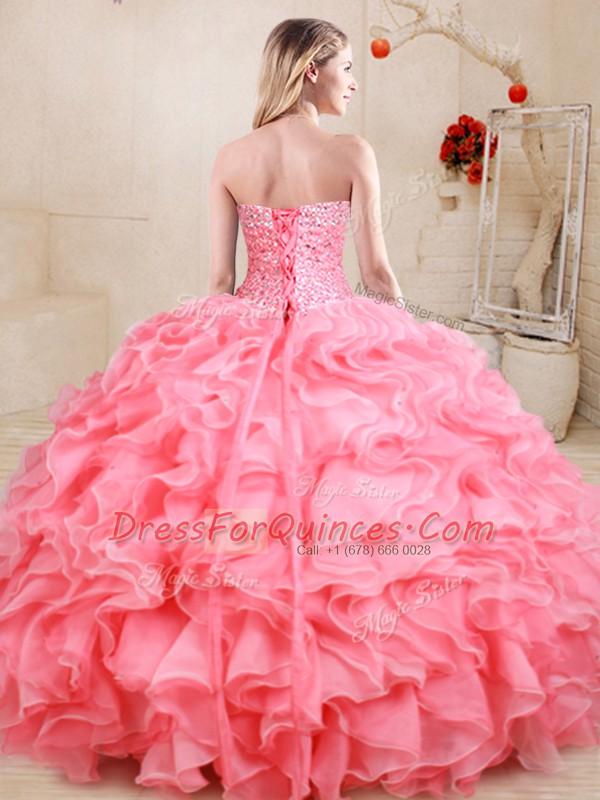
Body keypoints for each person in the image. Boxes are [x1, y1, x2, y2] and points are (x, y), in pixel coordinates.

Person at [0, 16, 599, 800]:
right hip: (335, 328)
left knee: (215, 502)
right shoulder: (352, 153)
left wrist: (204, 344)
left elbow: (220, 281)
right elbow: (376, 271)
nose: (354, 80)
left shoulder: (232, 156)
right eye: (346, 66)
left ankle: (202, 700)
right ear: (312, 69)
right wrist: (410, 339)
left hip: (246, 327)